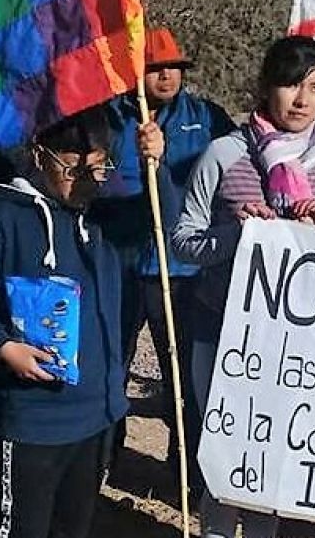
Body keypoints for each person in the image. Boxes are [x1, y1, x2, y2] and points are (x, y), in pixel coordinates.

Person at [172, 35, 315, 538]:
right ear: (265, 87)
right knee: (221, 454)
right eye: (290, 84)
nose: (301, 100)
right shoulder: (223, 155)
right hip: (220, 331)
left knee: (270, 458)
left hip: (295, 349)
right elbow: (183, 241)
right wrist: (237, 236)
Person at [0, 106, 164, 538]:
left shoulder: (103, 218)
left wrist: (155, 162)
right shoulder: (3, 216)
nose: (83, 179)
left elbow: (159, 216)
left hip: (96, 416)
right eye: (71, 166)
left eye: (98, 167)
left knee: (72, 530)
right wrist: (3, 346)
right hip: (31, 420)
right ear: (39, 155)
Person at [91, 26, 234, 483]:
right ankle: (104, 457)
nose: (166, 76)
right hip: (122, 262)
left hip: (183, 269)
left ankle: (188, 466)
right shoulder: (111, 120)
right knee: (113, 360)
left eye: (174, 67)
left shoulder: (206, 118)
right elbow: (95, 184)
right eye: (155, 68)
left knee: (185, 370)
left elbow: (236, 172)